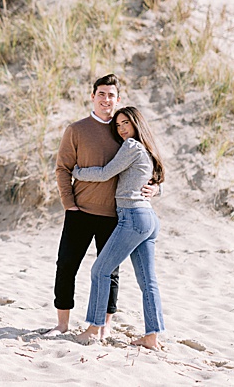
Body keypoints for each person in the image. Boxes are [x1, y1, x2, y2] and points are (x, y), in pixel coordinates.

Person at [48, 74, 159, 337]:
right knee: (66, 265)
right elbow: (63, 168)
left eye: (111, 95)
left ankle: (104, 327)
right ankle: (62, 324)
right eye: (101, 94)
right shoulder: (76, 129)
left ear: (118, 99)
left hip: (115, 216)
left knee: (110, 273)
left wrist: (156, 188)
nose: (106, 99)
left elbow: (149, 166)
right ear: (93, 96)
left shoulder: (124, 132)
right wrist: (68, 203)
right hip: (80, 211)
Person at [70, 106, 165, 349]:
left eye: (126, 123)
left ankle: (93, 329)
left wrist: (78, 172)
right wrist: (156, 189)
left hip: (133, 216)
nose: (122, 129)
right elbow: (157, 181)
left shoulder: (132, 146)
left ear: (136, 124)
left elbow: (105, 173)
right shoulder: (148, 149)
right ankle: (152, 336)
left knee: (100, 270)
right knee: (148, 281)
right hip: (148, 219)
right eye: (118, 125)